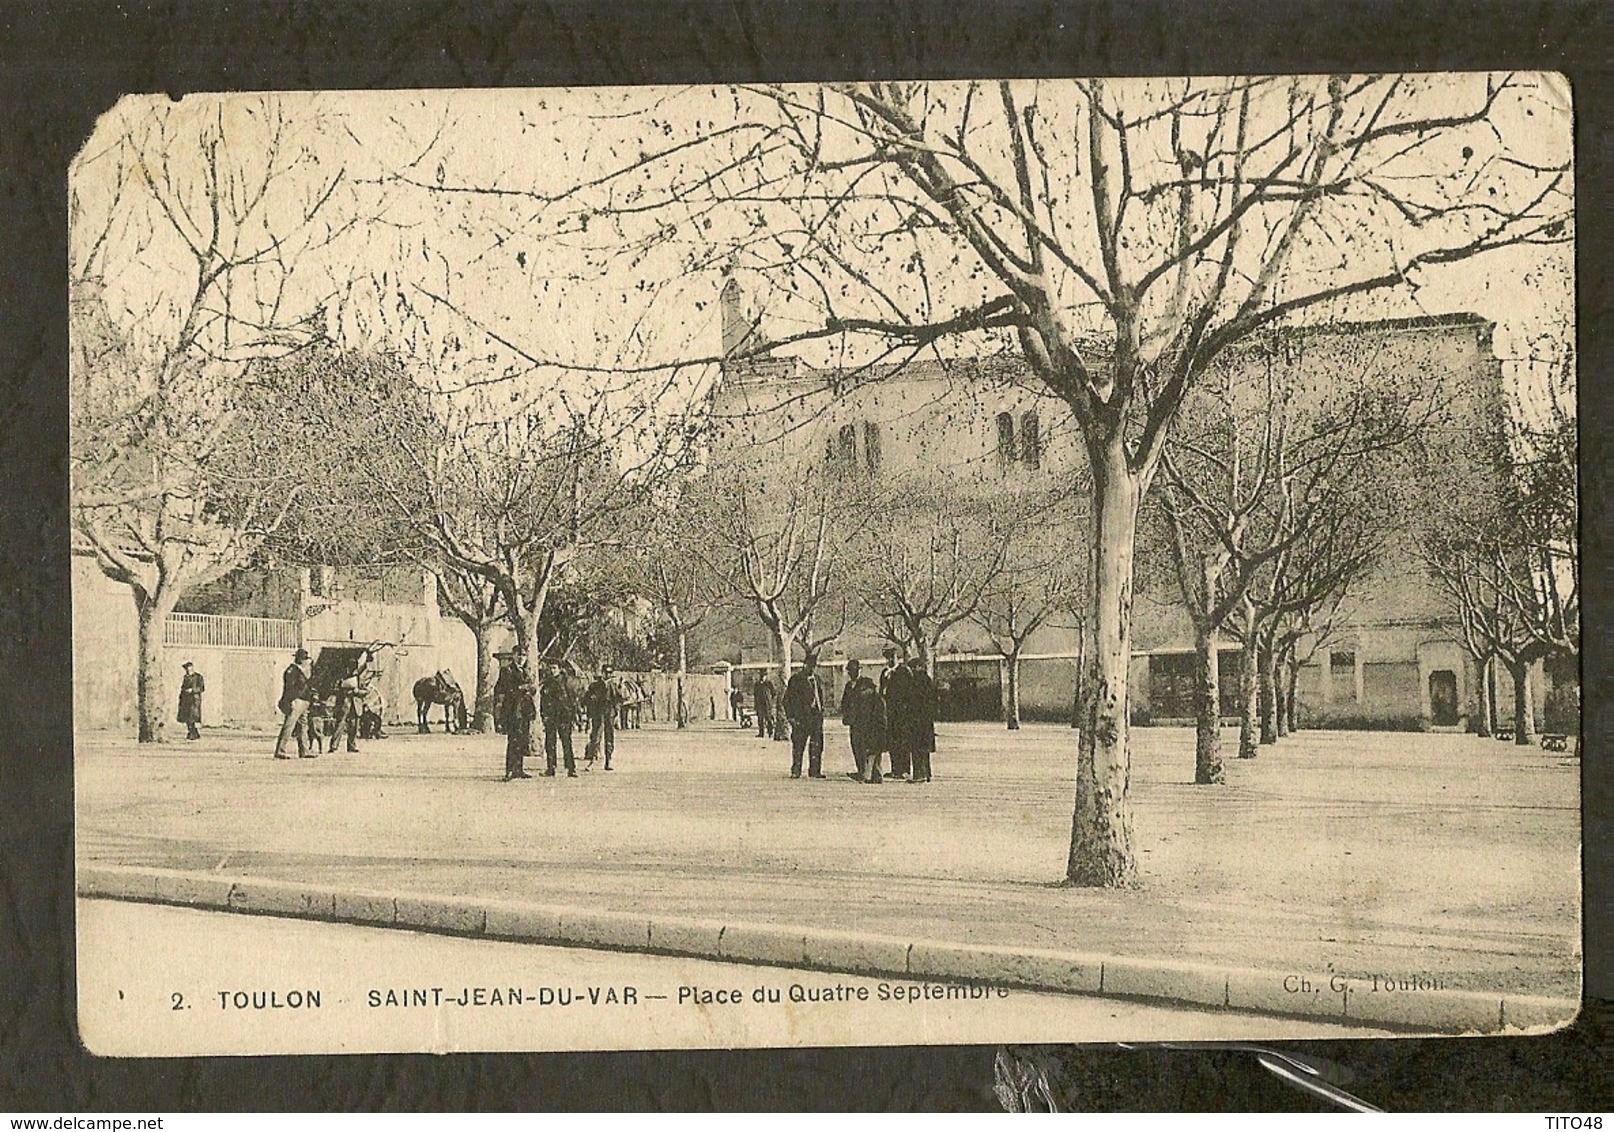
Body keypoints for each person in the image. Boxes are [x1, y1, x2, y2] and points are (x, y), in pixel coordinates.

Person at [839, 658, 887, 783]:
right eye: (851, 671)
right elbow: (844, 702)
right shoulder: (849, 686)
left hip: (867, 722)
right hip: (854, 722)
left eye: (855, 670)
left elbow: (876, 702)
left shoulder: (867, 684)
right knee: (857, 747)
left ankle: (874, 774)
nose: (853, 673)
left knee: (870, 747)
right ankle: (862, 771)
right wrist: (846, 715)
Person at [783, 652, 828, 779]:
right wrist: (790, 717)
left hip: (816, 718)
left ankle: (815, 770)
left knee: (817, 745)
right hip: (801, 718)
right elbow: (787, 700)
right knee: (798, 745)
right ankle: (796, 770)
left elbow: (820, 696)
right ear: (804, 665)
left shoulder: (817, 679)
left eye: (814, 666)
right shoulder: (796, 680)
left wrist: (821, 710)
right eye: (810, 666)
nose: (812, 669)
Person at [328, 647, 375, 754]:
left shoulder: (361, 678)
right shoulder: (341, 677)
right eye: (350, 667)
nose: (352, 669)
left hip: (356, 703)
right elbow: (335, 688)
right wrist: (342, 689)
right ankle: (334, 746)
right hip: (344, 702)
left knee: (354, 725)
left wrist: (357, 691)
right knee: (340, 724)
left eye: (353, 667)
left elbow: (366, 691)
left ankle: (352, 745)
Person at [273, 648, 314, 760]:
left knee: (303, 726)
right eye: (305, 659)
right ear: (300, 659)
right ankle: (280, 750)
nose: (307, 662)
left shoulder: (301, 670)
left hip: (304, 701)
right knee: (289, 726)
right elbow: (289, 688)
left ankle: (304, 750)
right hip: (296, 701)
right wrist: (290, 701)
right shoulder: (292, 671)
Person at [540, 662, 579, 778]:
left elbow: (573, 700)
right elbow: (543, 700)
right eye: (550, 668)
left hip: (564, 716)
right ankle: (551, 768)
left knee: (566, 742)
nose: (552, 670)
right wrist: (544, 714)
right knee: (550, 742)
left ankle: (571, 768)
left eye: (554, 668)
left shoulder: (567, 681)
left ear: (560, 669)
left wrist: (573, 716)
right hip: (551, 716)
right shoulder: (547, 682)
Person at [903, 655, 938, 784]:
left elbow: (911, 700)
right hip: (926, 720)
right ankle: (927, 773)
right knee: (924, 750)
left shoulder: (916, 681)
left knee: (916, 748)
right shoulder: (927, 680)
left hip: (916, 720)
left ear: (918, 667)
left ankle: (919, 775)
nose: (911, 670)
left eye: (913, 668)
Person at [502, 654, 536, 780]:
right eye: (519, 655)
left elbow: (532, 689)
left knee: (522, 739)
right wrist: (521, 688)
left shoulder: (526, 670)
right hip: (513, 709)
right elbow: (506, 688)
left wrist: (531, 688)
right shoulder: (507, 670)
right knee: (513, 740)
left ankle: (519, 769)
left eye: (524, 656)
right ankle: (510, 770)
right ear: (514, 656)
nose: (521, 658)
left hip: (525, 710)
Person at [583, 664, 622, 771]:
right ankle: (592, 761)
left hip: (610, 714)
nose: (608, 675)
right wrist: (589, 709)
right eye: (606, 673)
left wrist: (616, 714)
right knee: (595, 737)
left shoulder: (613, 686)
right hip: (598, 714)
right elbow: (586, 699)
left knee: (609, 738)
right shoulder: (595, 686)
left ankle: (608, 761)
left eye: (610, 673)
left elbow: (618, 701)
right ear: (602, 673)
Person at [884, 651, 914, 780]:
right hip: (890, 713)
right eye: (888, 658)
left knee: (903, 742)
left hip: (902, 713)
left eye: (893, 657)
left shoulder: (904, 672)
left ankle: (905, 769)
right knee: (892, 741)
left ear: (897, 658)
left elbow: (909, 692)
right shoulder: (885, 673)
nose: (891, 660)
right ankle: (895, 769)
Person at [176, 661, 205, 741]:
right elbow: (183, 688)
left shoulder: (198, 677)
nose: (188, 670)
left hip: (194, 700)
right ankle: (193, 733)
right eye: (186, 669)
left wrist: (192, 690)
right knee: (186, 718)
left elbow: (202, 688)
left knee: (192, 717)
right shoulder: (186, 677)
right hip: (186, 700)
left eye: (189, 668)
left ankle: (192, 734)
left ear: (192, 667)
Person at [754, 673, 776, 740]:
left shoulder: (768, 683)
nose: (762, 678)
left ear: (766, 677)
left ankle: (770, 732)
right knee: (760, 719)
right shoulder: (757, 684)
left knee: (768, 719)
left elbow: (774, 693)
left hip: (767, 704)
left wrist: (769, 700)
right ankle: (761, 733)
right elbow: (755, 694)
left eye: (764, 676)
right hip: (759, 704)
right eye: (761, 676)